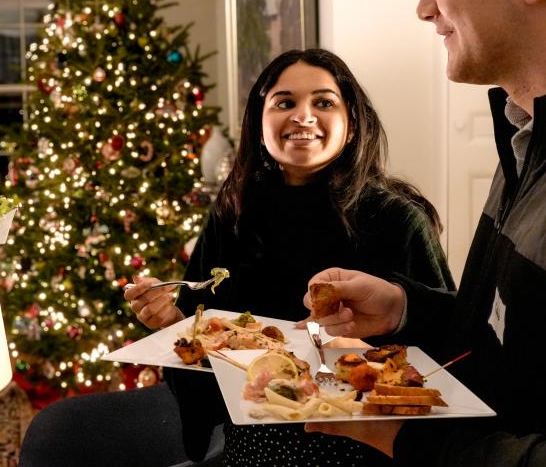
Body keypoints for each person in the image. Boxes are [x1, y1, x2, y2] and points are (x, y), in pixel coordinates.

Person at [304, 0, 546, 465]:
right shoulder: (525, 136)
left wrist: (426, 445)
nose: (424, 6)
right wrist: (407, 309)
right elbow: (512, 342)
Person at [125, 48, 455, 466]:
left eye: (323, 102)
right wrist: (170, 321)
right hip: (255, 449)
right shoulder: (233, 214)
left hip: (369, 449)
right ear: (259, 123)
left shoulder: (397, 218)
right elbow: (197, 349)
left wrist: (367, 348)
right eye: (285, 103)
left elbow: (448, 352)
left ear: (352, 124)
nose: (303, 116)